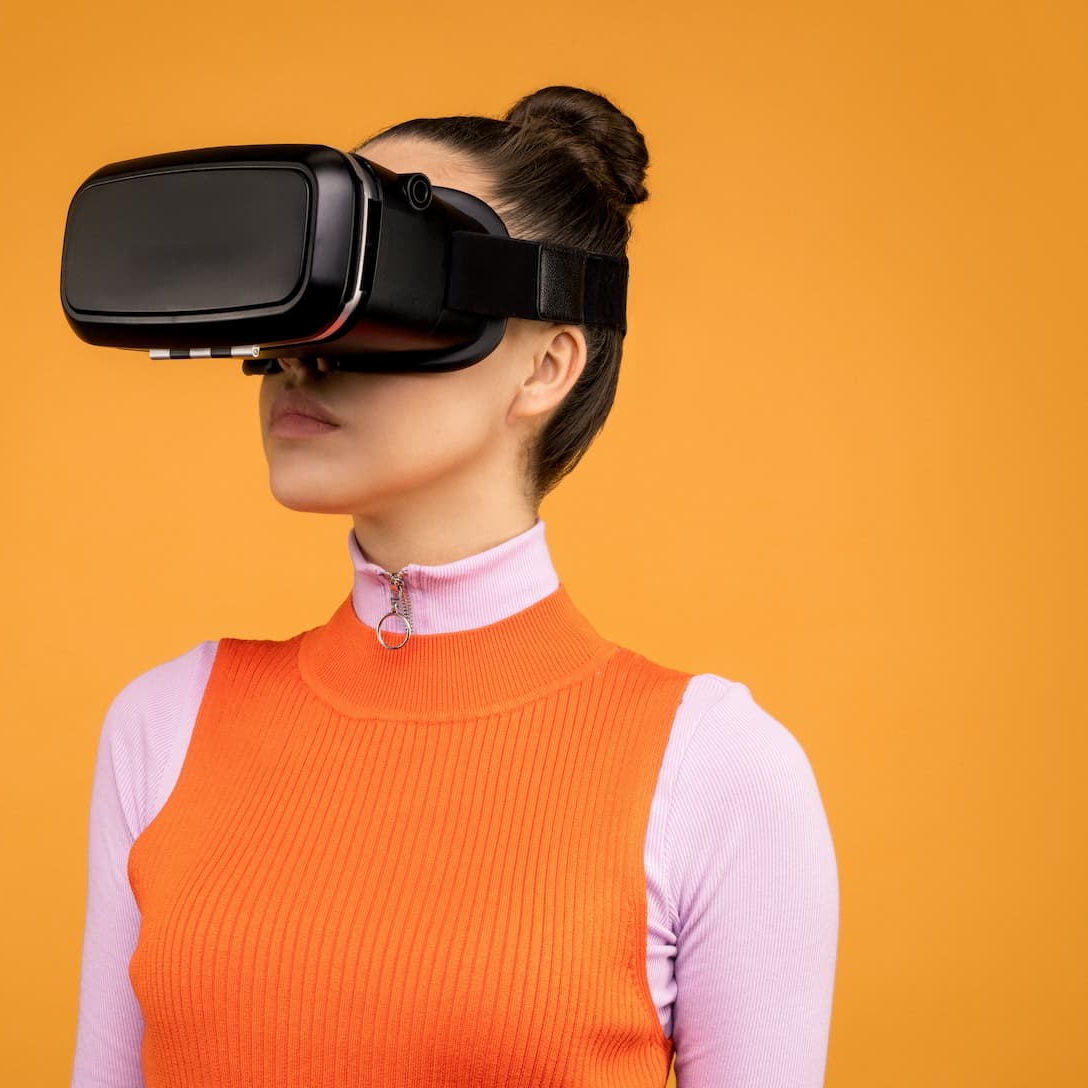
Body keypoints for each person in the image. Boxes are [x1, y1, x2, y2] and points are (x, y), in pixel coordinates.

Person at [69, 85, 839, 1088]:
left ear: (546, 364)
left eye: (386, 280)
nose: (307, 356)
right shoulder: (162, 724)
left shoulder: (719, 771)